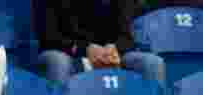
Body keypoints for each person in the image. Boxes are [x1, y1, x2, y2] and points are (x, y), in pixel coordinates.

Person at [35, 0, 166, 85]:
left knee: (152, 63)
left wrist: (113, 49)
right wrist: (85, 49)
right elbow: (48, 37)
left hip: (109, 52)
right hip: (68, 51)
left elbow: (126, 38)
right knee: (58, 61)